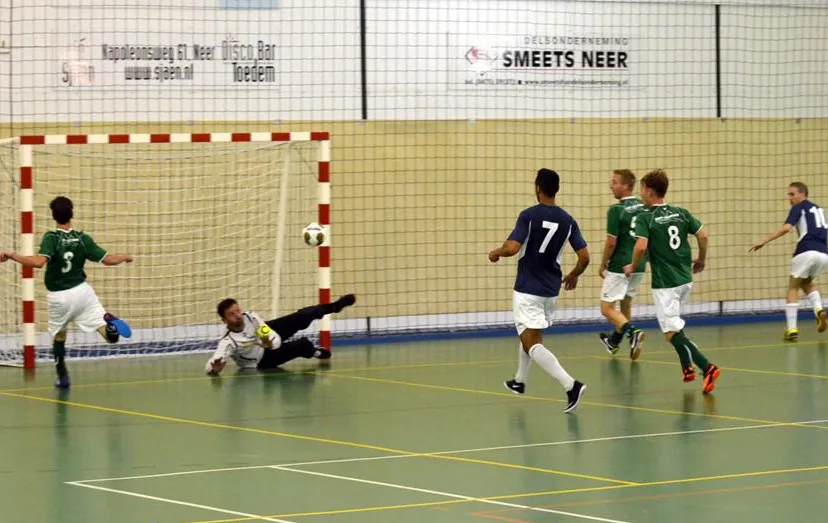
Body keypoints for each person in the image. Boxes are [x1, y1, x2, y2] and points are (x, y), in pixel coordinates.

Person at [0, 196, 133, 388]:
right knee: (110, 337)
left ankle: (63, 377)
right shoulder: (82, 238)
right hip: (83, 293)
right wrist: (125, 257)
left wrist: (12, 255)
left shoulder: (51, 238)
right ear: (72, 214)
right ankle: (110, 323)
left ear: (54, 216)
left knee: (59, 336)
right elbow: (108, 259)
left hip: (60, 297)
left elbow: (38, 263)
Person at [488, 168, 590, 413]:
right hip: (550, 289)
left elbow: (512, 247)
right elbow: (585, 257)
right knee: (529, 335)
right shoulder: (568, 220)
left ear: (538, 188)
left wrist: (496, 253)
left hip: (528, 287)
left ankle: (570, 385)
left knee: (531, 342)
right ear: (557, 189)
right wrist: (574, 275)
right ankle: (519, 381)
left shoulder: (529, 216)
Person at [627, 169, 720, 393]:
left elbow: (641, 246)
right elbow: (703, 235)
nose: (640, 194)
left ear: (650, 191)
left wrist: (632, 265)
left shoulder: (645, 217)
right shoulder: (681, 213)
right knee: (674, 328)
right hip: (684, 280)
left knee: (670, 332)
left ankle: (707, 367)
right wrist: (701, 259)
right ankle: (687, 367)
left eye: (641, 189)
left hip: (666, 283)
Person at [749, 182, 828, 341]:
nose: (789, 198)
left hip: (806, 250)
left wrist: (764, 241)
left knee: (793, 287)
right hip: (824, 253)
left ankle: (792, 329)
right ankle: (819, 309)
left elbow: (786, 228)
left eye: (792, 194)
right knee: (806, 282)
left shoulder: (799, 207)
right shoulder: (818, 209)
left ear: (802, 194)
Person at [205, 294, 356, 376]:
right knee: (301, 345)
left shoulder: (251, 318)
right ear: (224, 320)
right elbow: (215, 359)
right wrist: (213, 370)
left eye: (238, 310)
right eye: (232, 314)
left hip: (267, 341)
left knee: (302, 316)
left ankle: (334, 307)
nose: (238, 315)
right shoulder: (228, 341)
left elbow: (271, 336)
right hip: (261, 360)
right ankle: (315, 352)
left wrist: (269, 343)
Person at [598, 169, 647, 359]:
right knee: (625, 304)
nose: (611, 185)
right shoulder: (643, 207)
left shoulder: (616, 210)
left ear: (627, 186)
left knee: (607, 308)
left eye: (615, 182)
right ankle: (615, 341)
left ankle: (633, 333)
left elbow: (611, 241)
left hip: (620, 265)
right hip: (639, 264)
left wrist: (603, 264)